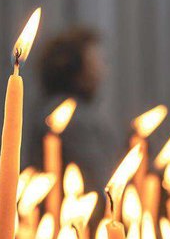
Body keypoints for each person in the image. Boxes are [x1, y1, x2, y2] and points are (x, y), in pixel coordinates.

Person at [36, 26, 119, 190]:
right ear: (74, 67)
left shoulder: (62, 109)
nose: (103, 70)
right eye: (97, 61)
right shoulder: (70, 118)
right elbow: (99, 179)